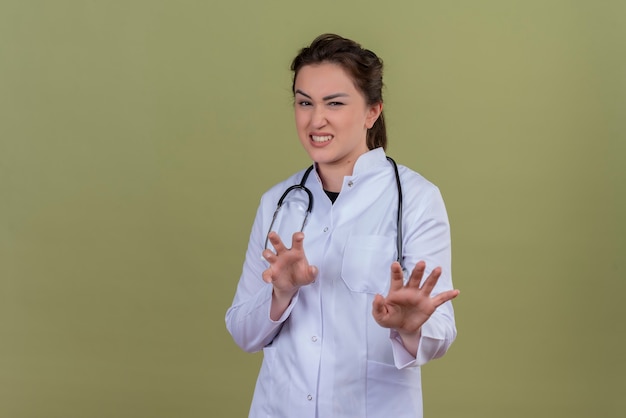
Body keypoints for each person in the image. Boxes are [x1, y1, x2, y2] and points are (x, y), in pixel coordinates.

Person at [225, 33, 459, 418]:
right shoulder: (278, 203)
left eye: (334, 103)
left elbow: (440, 332)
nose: (316, 119)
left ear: (372, 112)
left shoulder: (416, 199)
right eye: (305, 103)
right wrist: (279, 294)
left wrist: (411, 327)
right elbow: (242, 332)